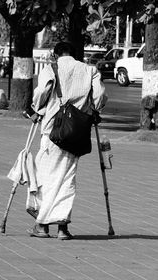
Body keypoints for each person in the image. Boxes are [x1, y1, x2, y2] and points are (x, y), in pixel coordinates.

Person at [29, 41, 107, 240]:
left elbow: (43, 91)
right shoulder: (90, 70)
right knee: (67, 178)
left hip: (52, 131)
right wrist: (93, 109)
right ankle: (62, 227)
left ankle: (42, 225)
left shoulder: (50, 69)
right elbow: (100, 97)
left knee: (46, 177)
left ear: (55, 55)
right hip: (77, 133)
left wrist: (36, 109)